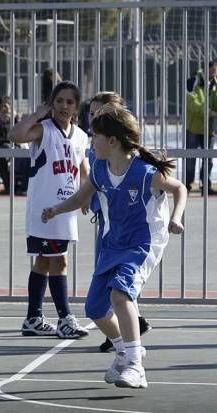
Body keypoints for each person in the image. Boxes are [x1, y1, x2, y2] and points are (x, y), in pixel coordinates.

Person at [41, 104, 187, 388]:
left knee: (120, 295)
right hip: (112, 244)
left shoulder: (145, 173)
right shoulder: (99, 169)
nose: (90, 140)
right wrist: (57, 210)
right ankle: (123, 351)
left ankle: (136, 364)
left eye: (94, 135)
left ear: (112, 141)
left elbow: (179, 188)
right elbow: (80, 198)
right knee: (95, 308)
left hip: (142, 243)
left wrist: (176, 217)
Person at [7, 80, 90, 339]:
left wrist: (86, 193)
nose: (64, 106)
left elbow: (83, 166)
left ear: (76, 108)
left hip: (66, 208)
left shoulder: (80, 135)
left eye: (69, 102)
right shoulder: (43, 130)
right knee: (59, 260)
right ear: (51, 104)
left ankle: (33, 317)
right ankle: (65, 318)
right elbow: (14, 135)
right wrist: (36, 114)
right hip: (45, 209)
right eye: (59, 101)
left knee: (44, 261)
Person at [86, 92, 152, 353]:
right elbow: (92, 183)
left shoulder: (134, 164)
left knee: (120, 285)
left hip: (131, 229)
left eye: (99, 113)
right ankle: (121, 333)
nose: (93, 118)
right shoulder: (97, 150)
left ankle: (131, 341)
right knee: (104, 282)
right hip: (107, 221)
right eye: (90, 114)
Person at [185, 61, 217, 194]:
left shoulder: (215, 84)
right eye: (212, 70)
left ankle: (206, 186)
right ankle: (186, 184)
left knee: (208, 159)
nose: (213, 73)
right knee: (190, 159)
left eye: (215, 71)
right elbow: (192, 104)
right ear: (205, 69)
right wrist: (210, 112)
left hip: (209, 129)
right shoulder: (193, 81)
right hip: (194, 127)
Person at [0, 96, 27, 194]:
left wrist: (15, 120)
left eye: (7, 106)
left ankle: (21, 186)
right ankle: (9, 187)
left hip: (14, 148)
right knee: (3, 157)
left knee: (27, 158)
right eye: (3, 106)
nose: (5, 109)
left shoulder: (16, 119)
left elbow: (22, 135)